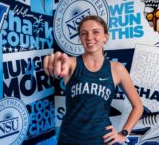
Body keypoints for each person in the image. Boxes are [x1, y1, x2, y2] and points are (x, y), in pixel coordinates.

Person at [43, 15, 143, 145]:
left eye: (95, 32)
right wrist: (54, 61)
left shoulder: (117, 69)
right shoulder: (71, 64)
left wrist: (123, 133)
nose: (89, 37)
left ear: (105, 37)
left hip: (101, 140)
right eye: (84, 34)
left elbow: (138, 107)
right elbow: (60, 62)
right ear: (80, 39)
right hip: (69, 139)